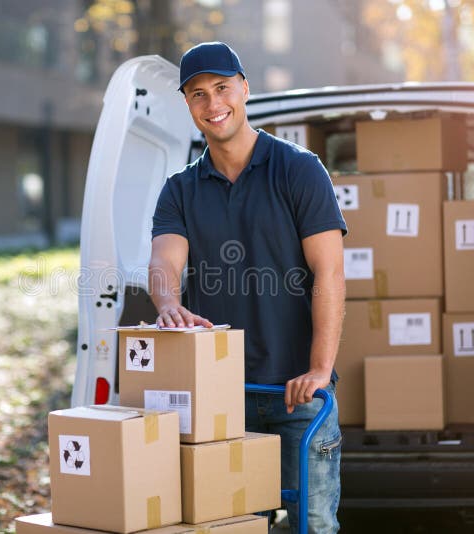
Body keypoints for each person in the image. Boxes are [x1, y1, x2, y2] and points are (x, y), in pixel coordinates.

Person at [148, 42, 346, 533]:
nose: (213, 104)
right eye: (197, 94)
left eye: (221, 88)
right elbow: (163, 264)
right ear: (188, 106)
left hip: (299, 395)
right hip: (221, 398)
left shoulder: (299, 169)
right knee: (233, 526)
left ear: (244, 88)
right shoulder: (179, 189)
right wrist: (169, 304)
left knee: (314, 526)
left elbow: (330, 273)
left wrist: (320, 370)